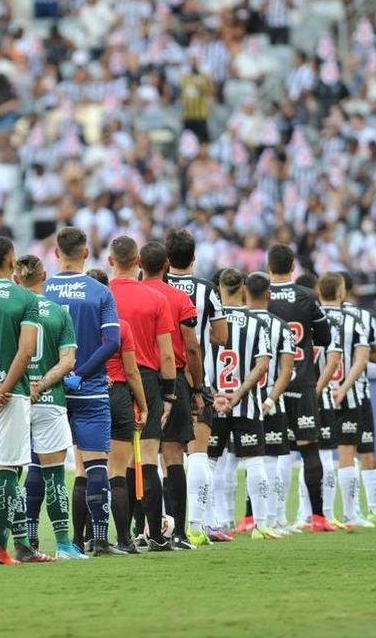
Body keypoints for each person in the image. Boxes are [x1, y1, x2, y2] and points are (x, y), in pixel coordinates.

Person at [43, 226, 119, 555]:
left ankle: (34, 540)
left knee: (41, 465)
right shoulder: (100, 291)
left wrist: (56, 375)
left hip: (49, 391)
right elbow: (112, 341)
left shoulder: (41, 291)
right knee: (96, 463)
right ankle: (100, 539)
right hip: (89, 390)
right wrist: (80, 373)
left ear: (56, 253)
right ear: (86, 253)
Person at [0, 237, 44, 564]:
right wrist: (1, 392)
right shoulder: (24, 298)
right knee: (6, 470)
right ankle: (1, 549)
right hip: (12, 394)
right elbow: (26, 351)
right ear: (13, 261)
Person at [107, 235, 176, 551]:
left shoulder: (103, 295)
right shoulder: (155, 299)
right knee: (148, 458)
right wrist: (169, 394)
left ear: (110, 261)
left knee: (111, 463)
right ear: (137, 263)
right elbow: (166, 355)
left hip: (108, 380)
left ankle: (114, 534)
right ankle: (155, 534)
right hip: (146, 379)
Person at [15, 254, 87, 560]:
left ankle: (12, 545)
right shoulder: (58, 312)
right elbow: (68, 360)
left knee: (9, 473)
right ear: (44, 276)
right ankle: (63, 544)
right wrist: (42, 385)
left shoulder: (13, 309)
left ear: (16, 280)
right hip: (49, 402)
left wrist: (22, 386)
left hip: (14, 399)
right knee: (55, 475)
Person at [163, 228, 228, 546]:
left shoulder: (156, 286)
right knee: (199, 453)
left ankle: (164, 523)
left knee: (168, 453)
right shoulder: (207, 289)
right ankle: (197, 526)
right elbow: (221, 336)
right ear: (193, 257)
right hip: (200, 379)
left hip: (165, 378)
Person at [264, 243, 334, 532]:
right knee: (309, 450)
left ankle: (267, 517)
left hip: (270, 385)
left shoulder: (261, 296)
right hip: (303, 381)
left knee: (269, 452)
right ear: (293, 267)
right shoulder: (306, 295)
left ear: (269, 267)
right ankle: (317, 517)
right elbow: (326, 338)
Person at [138, 241, 200, 550]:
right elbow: (190, 347)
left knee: (139, 457)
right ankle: (179, 532)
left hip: (136, 379)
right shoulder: (178, 297)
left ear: (140, 264)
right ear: (166, 266)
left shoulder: (129, 295)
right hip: (172, 377)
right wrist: (198, 388)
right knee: (173, 456)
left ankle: (141, 529)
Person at [85, 268, 147, 553]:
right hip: (118, 395)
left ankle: (79, 539)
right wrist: (143, 405)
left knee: (83, 473)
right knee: (117, 473)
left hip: (84, 394)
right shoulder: (120, 326)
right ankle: (124, 539)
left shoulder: (76, 323)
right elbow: (132, 372)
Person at [212, 269, 276, 540]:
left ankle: (210, 523)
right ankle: (261, 526)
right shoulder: (255, 323)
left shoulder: (209, 322)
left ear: (219, 289)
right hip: (246, 402)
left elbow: (198, 360)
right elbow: (263, 364)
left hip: (213, 402)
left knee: (210, 462)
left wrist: (215, 393)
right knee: (254, 461)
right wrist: (238, 393)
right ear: (243, 289)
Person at [241, 272, 297, 536]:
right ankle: (273, 519)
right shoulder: (282, 327)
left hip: (238, 401)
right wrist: (272, 398)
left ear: (244, 293)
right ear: (269, 294)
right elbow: (286, 371)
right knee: (273, 461)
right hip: (272, 402)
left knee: (228, 462)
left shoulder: (235, 322)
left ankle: (223, 520)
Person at [316, 272, 373, 530]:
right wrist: (344, 388)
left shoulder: (312, 318)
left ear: (319, 292)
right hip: (348, 396)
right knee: (347, 454)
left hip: (316, 396)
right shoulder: (354, 320)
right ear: (341, 293)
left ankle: (315, 515)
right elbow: (362, 360)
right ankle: (351, 514)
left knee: (317, 455)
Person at [341, 272, 376, 523]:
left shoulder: (320, 317)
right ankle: (371, 508)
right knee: (366, 450)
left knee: (332, 454)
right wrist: (358, 352)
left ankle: (339, 513)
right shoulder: (365, 317)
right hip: (357, 393)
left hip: (328, 392)